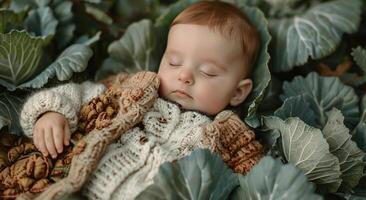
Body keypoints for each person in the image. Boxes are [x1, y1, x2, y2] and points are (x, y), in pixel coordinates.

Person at [20, 1, 262, 199]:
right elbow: (82, 93)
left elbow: (255, 178)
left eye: (208, 72)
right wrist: (52, 112)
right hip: (79, 182)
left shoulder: (227, 136)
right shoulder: (137, 91)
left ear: (238, 92)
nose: (184, 75)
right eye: (173, 62)